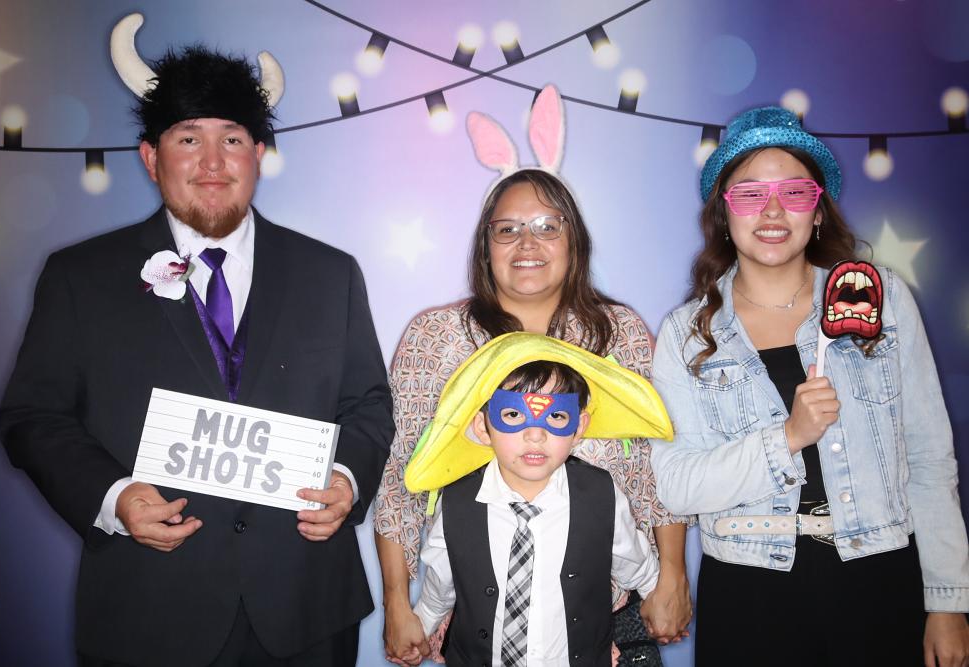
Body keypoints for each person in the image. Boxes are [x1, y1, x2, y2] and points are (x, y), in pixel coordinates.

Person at [0, 14, 393, 667]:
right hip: (149, 610)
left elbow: (368, 406)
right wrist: (112, 497)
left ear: (258, 155)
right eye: (188, 138)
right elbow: (32, 416)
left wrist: (347, 477)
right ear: (151, 158)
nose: (213, 162)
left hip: (305, 607)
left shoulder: (331, 274)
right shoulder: (79, 277)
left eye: (232, 139)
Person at [374, 85, 691, 666]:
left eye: (548, 226)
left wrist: (671, 573)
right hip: (484, 613)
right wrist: (399, 599)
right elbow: (400, 478)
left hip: (610, 612)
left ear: (574, 241)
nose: (527, 242)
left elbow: (655, 465)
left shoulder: (618, 332)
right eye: (508, 228)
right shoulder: (435, 338)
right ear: (485, 245)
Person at [649, 106, 969, 667]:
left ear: (817, 211)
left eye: (795, 193)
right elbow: (676, 486)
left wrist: (947, 601)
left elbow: (928, 457)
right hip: (749, 592)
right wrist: (787, 439)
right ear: (724, 213)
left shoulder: (880, 298)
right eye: (750, 194)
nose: (773, 210)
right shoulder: (687, 332)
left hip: (877, 578)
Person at [400, 332, 673, 666]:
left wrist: (660, 599)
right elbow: (440, 586)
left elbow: (637, 565)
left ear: (579, 427)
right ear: (483, 427)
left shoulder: (601, 496)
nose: (535, 434)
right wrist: (419, 627)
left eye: (556, 416)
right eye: (514, 415)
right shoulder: (457, 503)